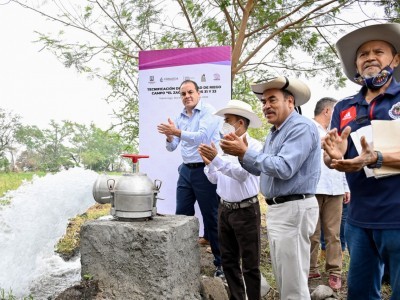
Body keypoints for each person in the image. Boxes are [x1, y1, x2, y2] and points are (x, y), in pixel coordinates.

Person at [220, 76, 320, 299]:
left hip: (293, 208)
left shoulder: (300, 127)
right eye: (264, 101)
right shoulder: (275, 132)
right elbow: (262, 168)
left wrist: (245, 152)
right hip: (280, 210)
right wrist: (242, 154)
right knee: (285, 276)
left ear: (290, 102)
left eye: (272, 100)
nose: (266, 106)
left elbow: (284, 168)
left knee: (293, 283)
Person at [322, 23, 400, 299]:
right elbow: (333, 158)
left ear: (396, 59)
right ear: (356, 64)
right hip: (359, 219)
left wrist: (376, 158)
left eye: (378, 51)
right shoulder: (345, 107)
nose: (370, 57)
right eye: (363, 53)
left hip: (397, 217)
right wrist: (335, 156)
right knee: (360, 292)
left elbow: (371, 158)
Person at [157, 79, 223, 277]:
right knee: (181, 216)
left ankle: (221, 265)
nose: (187, 96)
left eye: (190, 92)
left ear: (199, 93)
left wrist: (175, 132)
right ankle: (181, 261)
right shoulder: (179, 117)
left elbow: (201, 137)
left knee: (211, 217)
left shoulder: (208, 111)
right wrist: (169, 137)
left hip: (205, 169)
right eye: (183, 94)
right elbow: (172, 146)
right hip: (185, 171)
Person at [198, 99, 263, 300]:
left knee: (250, 264)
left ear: (240, 123)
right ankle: (237, 297)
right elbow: (215, 178)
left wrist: (216, 159)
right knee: (228, 260)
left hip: (246, 211)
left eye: (228, 120)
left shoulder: (254, 146)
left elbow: (242, 174)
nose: (224, 123)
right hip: (224, 209)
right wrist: (209, 164)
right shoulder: (222, 146)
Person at [308, 97, 351, 290]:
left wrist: (345, 186)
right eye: (336, 111)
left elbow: (340, 160)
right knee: (312, 233)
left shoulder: (335, 133)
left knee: (334, 234)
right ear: (327, 111)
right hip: (313, 188)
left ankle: (334, 271)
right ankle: (310, 267)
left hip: (334, 189)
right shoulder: (308, 128)